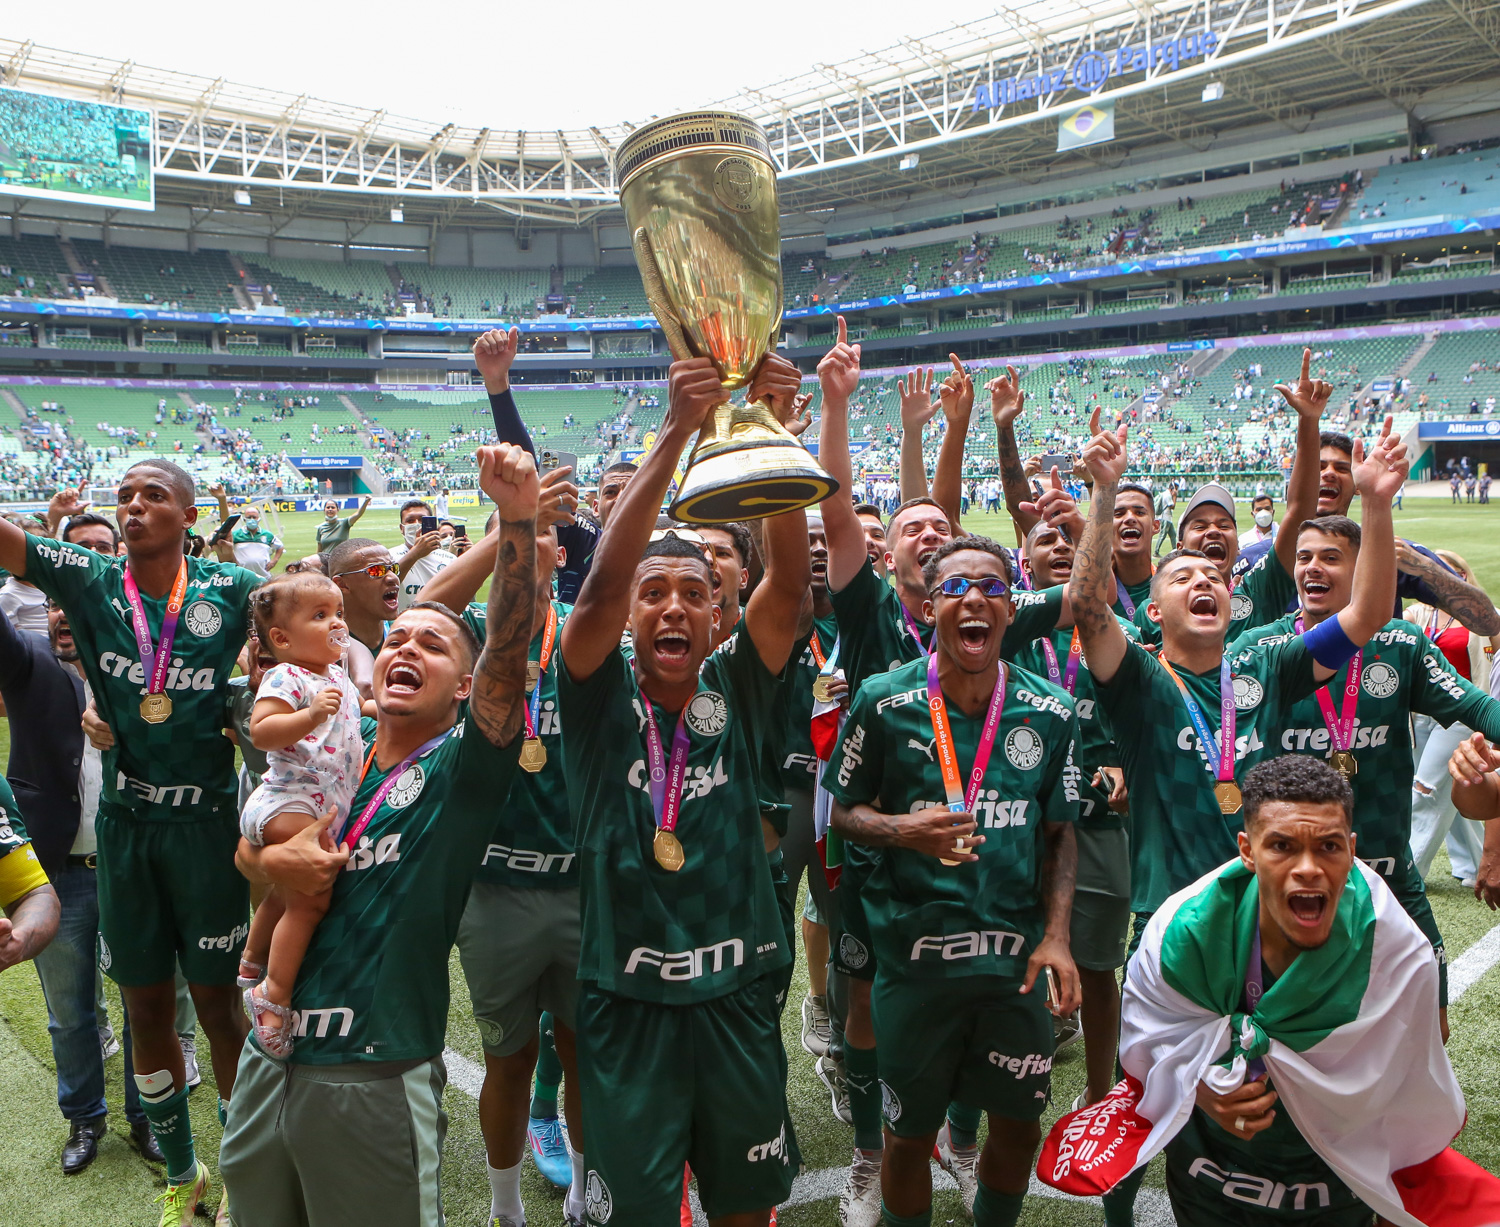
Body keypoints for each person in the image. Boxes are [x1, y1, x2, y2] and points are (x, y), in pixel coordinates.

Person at [1067, 415, 1408, 1227]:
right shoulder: (1140, 682)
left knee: (1273, 1098)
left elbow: (1367, 613)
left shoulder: (1263, 661)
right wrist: (1104, 491)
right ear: (1153, 608)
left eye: (1212, 572)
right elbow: (1085, 604)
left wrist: (1378, 504)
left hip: (1270, 918)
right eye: (1180, 575)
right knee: (1156, 1097)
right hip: (1173, 930)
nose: (1202, 579)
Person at [220, 443, 537, 1226]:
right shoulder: (333, 754)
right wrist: (273, 855)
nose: (405, 647)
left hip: (370, 1070)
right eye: (396, 639)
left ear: (465, 688)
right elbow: (245, 852)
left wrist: (519, 524)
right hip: (270, 1059)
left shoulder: (464, 768)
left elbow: (506, 652)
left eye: (433, 646)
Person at [816, 318, 1068, 1224]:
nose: (943, 559)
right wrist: (838, 406)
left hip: (998, 932)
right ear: (909, 579)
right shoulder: (878, 634)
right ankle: (871, 1152)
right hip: (899, 907)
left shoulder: (1014, 667)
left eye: (978, 576)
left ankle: (960, 1144)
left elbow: (952, 523)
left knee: (992, 1110)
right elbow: (850, 511)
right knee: (870, 1030)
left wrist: (953, 429)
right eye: (925, 550)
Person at [556, 355, 810, 1227]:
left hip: (737, 989)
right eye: (652, 593)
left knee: (746, 1205)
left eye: (692, 594)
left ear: (716, 615)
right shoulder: (592, 696)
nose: (671, 607)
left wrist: (772, 435)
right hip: (628, 999)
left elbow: (790, 589)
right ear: (631, 616)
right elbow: (590, 594)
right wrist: (674, 430)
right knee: (639, 1214)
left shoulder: (738, 685)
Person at [1039, 755, 1500, 1225]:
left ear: (1352, 850)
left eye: (1328, 847)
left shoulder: (1396, 952)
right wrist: (1200, 1090)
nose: (1308, 868)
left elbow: (1402, 1095)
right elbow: (1148, 1049)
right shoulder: (1182, 935)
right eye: (1281, 845)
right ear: (1247, 849)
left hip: (1336, 1176)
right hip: (1210, 1171)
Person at [0, 464, 262, 1225]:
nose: (136, 505)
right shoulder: (88, 576)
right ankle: (184, 1175)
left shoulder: (230, 589)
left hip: (207, 824)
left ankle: (247, 1170)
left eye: (154, 495)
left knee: (219, 1005)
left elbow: (307, 632)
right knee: (144, 1004)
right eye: (126, 496)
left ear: (187, 511)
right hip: (126, 826)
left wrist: (254, 697)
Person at [826, 534, 1083, 1227]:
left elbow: (1061, 832)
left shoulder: (1052, 711)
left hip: (1015, 962)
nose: (976, 599)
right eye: (958, 587)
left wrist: (1058, 936)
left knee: (1019, 1126)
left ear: (1011, 606)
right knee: (905, 1136)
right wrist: (904, 830)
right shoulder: (883, 702)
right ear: (931, 603)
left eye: (994, 587)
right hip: (916, 961)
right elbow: (843, 813)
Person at [1235, 519, 1500, 1035]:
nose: (1313, 566)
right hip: (1290, 884)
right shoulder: (1258, 648)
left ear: (1365, 572)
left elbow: (1481, 708)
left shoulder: (1401, 645)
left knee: (1432, 1028)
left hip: (1387, 875)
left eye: (1331, 557)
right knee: (1290, 1038)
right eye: (1305, 557)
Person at [419, 505, 590, 1225]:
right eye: (519, 542)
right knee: (509, 1058)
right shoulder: (478, 636)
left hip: (584, 883)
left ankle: (586, 1188)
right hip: (495, 886)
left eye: (545, 540)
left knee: (585, 1052)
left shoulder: (585, 628)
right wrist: (503, 537)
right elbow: (424, 608)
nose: (533, 552)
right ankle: (505, 1206)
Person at [0, 510, 166, 1172]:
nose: (71, 602)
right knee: (71, 1014)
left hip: (136, 868)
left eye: (99, 556)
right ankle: (84, 1120)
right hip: (59, 871)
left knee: (143, 1004)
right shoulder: (30, 662)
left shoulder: (154, 663)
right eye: (63, 574)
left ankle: (147, 1115)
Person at [1011, 516, 1134, 1108]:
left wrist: (1126, 767)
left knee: (1100, 964)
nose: (1061, 548)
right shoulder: (1009, 630)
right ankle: (1015, 1082)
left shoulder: (1121, 631)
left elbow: (1146, 715)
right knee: (1014, 957)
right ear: (1024, 562)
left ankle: (1099, 1086)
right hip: (1026, 822)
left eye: (1072, 541)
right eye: (1046, 541)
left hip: (1098, 821)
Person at [237, 573, 366, 1056]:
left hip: (320, 801)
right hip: (289, 800)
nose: (336, 624)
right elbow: (263, 730)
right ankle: (273, 995)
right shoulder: (287, 676)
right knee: (310, 902)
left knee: (289, 893)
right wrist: (309, 715)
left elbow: (353, 718)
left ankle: (252, 957)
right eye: (320, 615)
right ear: (282, 639)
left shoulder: (334, 676)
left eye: (339, 613)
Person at [1236, 430, 1500, 633]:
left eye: (1342, 468)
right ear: (1298, 478)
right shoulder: (1254, 562)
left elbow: (1487, 623)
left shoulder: (1390, 554)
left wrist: (1422, 566)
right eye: (1319, 466)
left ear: (1358, 484)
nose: (1328, 474)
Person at [1404, 550, 1500, 885]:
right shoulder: (1418, 614)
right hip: (1420, 718)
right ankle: (1472, 866)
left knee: (1425, 790)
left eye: (1451, 571)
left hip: (1462, 714)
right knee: (1457, 788)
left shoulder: (1483, 617)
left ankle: (1410, 872)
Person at [327, 537, 400, 652]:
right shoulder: (324, 648)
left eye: (394, 568)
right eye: (376, 571)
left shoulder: (403, 635)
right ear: (342, 584)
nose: (393, 578)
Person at [393, 499, 457, 612]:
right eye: (410, 520)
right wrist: (415, 553)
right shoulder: (389, 556)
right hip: (402, 624)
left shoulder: (449, 559)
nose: (416, 524)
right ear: (401, 528)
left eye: (422, 519)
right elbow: (384, 587)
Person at [230, 506, 284, 578]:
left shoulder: (267, 535)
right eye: (249, 517)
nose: (251, 520)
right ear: (244, 519)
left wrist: (274, 560)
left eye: (254, 517)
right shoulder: (235, 534)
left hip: (263, 576)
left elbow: (280, 546)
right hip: (242, 577)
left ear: (258, 519)